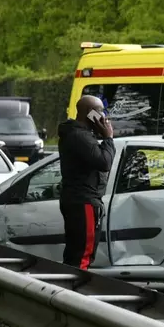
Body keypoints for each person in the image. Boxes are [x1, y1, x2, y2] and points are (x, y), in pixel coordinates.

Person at [57, 95, 115, 270]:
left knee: (75, 252)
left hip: (76, 199)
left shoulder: (75, 134)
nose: (103, 117)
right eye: (99, 112)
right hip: (84, 201)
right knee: (82, 256)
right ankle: (73, 294)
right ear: (91, 115)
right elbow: (104, 163)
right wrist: (108, 138)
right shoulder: (80, 137)